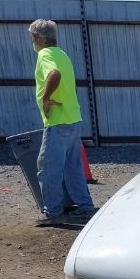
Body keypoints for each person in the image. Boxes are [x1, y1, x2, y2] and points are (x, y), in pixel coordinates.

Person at [28, 19, 96, 226]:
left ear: (38, 38)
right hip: (72, 118)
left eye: (32, 37)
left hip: (58, 121)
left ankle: (53, 212)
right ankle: (85, 207)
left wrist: (46, 97)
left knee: (48, 168)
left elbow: (54, 74)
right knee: (73, 166)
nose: (32, 41)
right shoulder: (62, 54)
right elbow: (65, 80)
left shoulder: (45, 54)